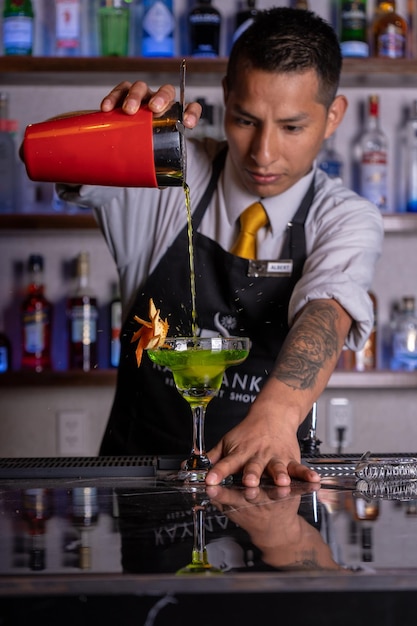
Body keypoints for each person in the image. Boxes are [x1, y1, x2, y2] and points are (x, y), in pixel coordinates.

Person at [56, 7, 384, 487]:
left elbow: (327, 311)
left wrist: (275, 416)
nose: (263, 153)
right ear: (226, 96)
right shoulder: (172, 172)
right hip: (143, 486)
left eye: (291, 127)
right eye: (246, 120)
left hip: (274, 486)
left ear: (333, 116)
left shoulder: (343, 216)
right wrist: (113, 130)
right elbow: (46, 156)